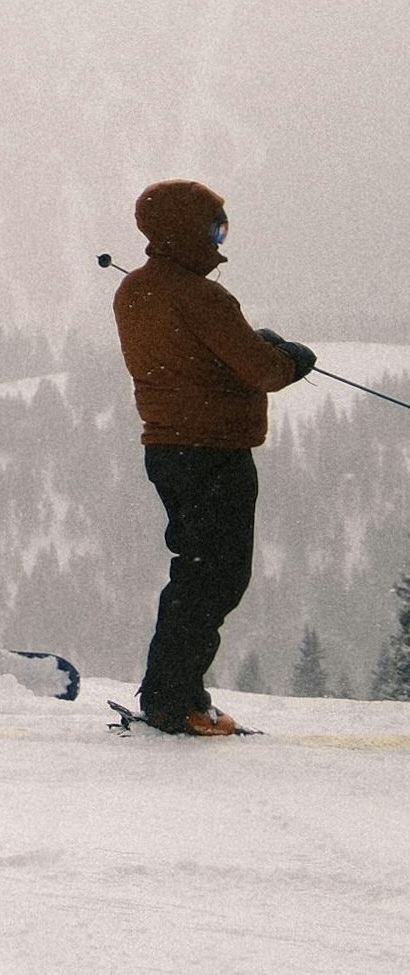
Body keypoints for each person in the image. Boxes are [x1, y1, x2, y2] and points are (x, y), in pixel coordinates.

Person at [112, 178, 316, 737]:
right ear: (187, 229)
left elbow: (191, 356)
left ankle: (170, 694)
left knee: (196, 572)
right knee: (216, 578)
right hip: (214, 454)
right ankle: (175, 700)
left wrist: (250, 344)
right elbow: (264, 371)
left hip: (166, 449)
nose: (221, 239)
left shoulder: (133, 289)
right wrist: (293, 356)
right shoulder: (203, 296)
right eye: (215, 227)